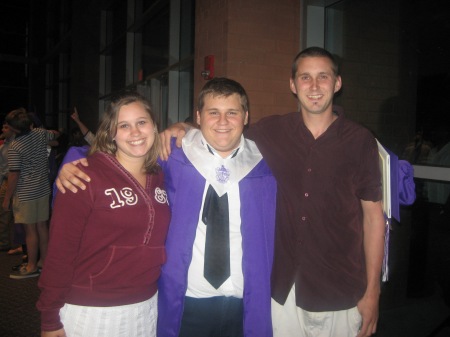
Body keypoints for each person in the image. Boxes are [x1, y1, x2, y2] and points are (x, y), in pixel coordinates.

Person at [159, 47, 386, 337]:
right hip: (283, 293)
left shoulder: (360, 140)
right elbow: (221, 129)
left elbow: (373, 219)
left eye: (323, 77)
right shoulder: (271, 132)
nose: (314, 86)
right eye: (305, 77)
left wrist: (373, 292)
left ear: (337, 83)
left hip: (339, 289)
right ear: (293, 85)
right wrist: (182, 127)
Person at [55, 78, 277, 337]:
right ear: (198, 116)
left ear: (246, 116)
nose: (223, 121)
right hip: (187, 299)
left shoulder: (267, 164)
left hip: (243, 299)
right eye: (213, 112)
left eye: (232, 113)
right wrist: (72, 163)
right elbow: (117, 155)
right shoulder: (173, 154)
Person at [37, 91, 171, 337]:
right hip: (92, 309)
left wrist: (183, 127)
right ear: (111, 133)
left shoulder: (161, 175)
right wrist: (49, 317)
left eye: (142, 122)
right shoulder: (85, 176)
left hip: (146, 304)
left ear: (154, 127)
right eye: (124, 125)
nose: (135, 132)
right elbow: (60, 251)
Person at [2, 109, 56, 279]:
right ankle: (45, 262)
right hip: (42, 189)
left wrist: (7, 199)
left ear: (14, 129)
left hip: (26, 194)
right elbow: (55, 135)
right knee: (42, 227)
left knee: (30, 231)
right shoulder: (40, 134)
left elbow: (14, 174)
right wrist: (51, 138)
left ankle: (31, 265)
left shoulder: (15, 147)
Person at [0, 122, 15, 252]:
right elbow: (1, 168)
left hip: (18, 180)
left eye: (6, 127)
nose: (3, 130)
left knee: (18, 213)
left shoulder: (18, 144)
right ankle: (4, 241)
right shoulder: (3, 146)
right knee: (4, 212)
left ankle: (22, 244)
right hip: (6, 181)